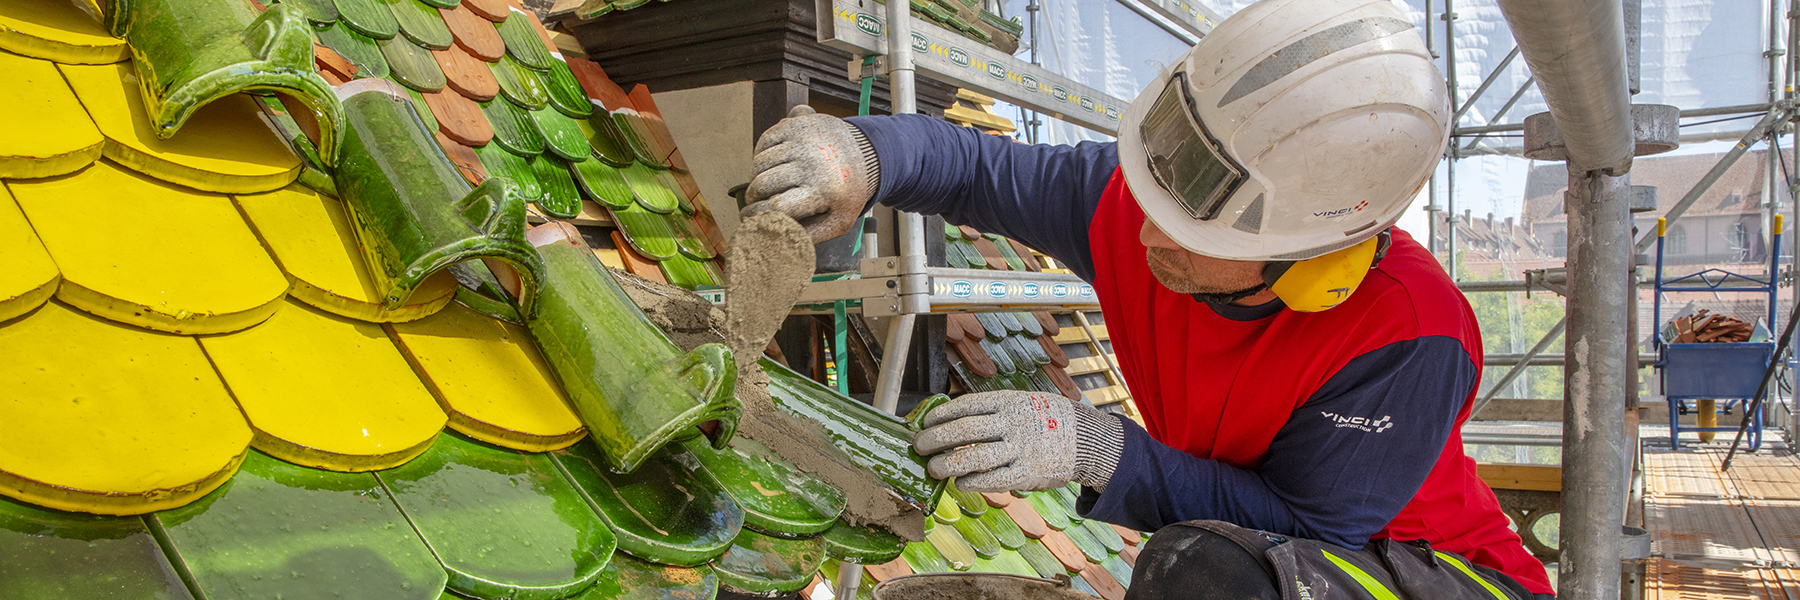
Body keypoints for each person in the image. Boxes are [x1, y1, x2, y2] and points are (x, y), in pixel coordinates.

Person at [741, 0, 1553, 597]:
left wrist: (1102, 451)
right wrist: (862, 154)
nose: (1148, 238)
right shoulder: (1134, 206)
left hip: (1438, 572)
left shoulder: (1411, 332)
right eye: (1153, 195)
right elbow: (977, 168)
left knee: (1202, 572)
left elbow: (1305, 531)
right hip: (1269, 549)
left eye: (1200, 233)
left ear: (1310, 255)